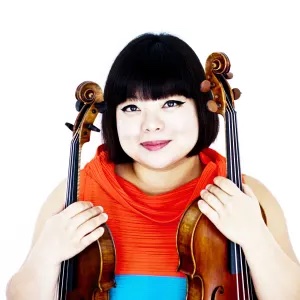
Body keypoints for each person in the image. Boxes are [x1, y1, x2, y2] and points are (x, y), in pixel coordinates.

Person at [6, 32, 300, 300]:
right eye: (132, 108)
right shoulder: (74, 194)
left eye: (171, 104)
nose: (151, 125)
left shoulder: (246, 194)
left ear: (202, 107)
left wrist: (256, 239)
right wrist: (45, 257)